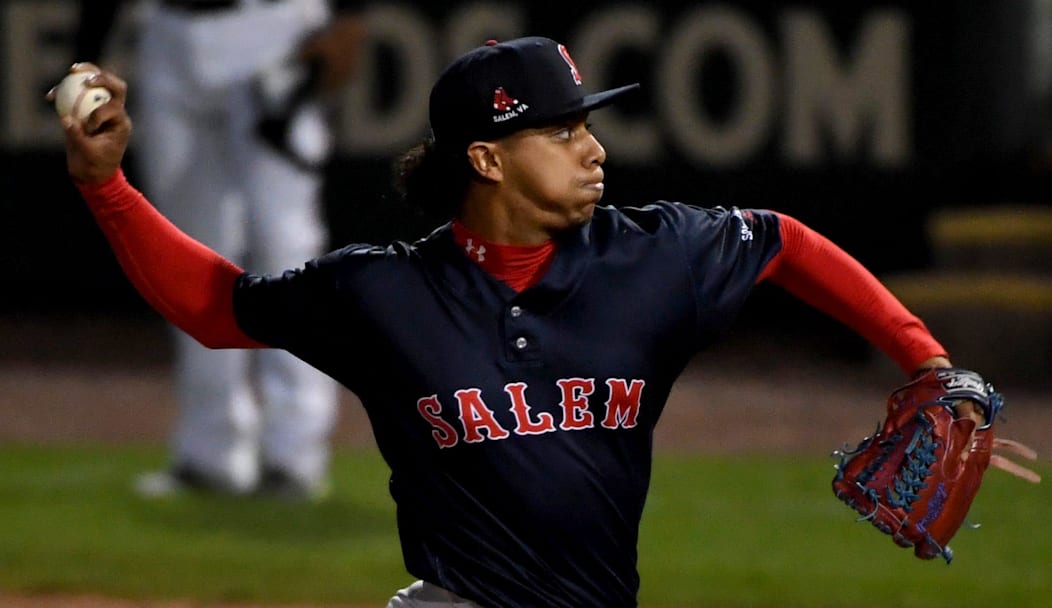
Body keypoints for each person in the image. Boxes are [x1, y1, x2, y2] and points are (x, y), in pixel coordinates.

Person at [54, 36, 991, 606]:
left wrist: (928, 359)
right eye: (562, 131)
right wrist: (106, 188)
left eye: (587, 125)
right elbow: (218, 308)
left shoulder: (653, 258)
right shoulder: (385, 293)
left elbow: (784, 242)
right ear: (488, 161)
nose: (595, 150)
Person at [72, 0, 367, 499]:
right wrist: (86, 57)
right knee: (186, 251)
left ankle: (293, 455)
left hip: (274, 33)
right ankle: (209, 452)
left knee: (285, 250)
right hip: (169, 32)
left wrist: (351, 16)